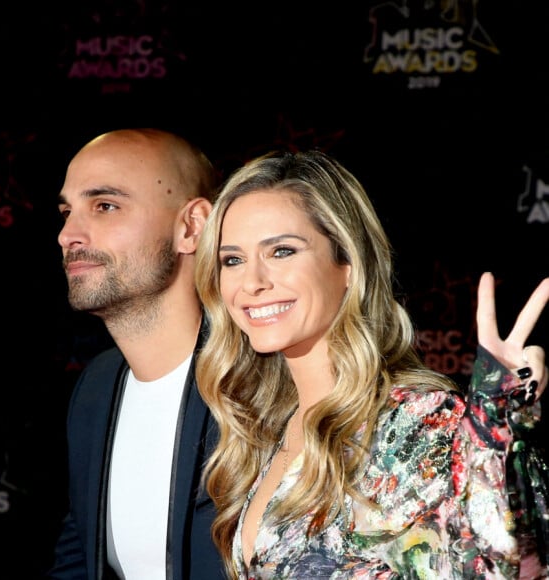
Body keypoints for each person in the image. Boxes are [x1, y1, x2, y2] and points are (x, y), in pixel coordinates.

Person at [193, 149, 549, 578]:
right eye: (232, 260)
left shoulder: (414, 423)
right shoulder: (266, 426)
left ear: (347, 264)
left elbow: (506, 566)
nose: (252, 282)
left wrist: (499, 430)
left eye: (282, 252)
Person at [49, 128, 226, 579]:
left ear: (191, 227)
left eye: (105, 206)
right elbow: (78, 560)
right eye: (67, 211)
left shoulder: (264, 381)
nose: (68, 234)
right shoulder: (96, 387)